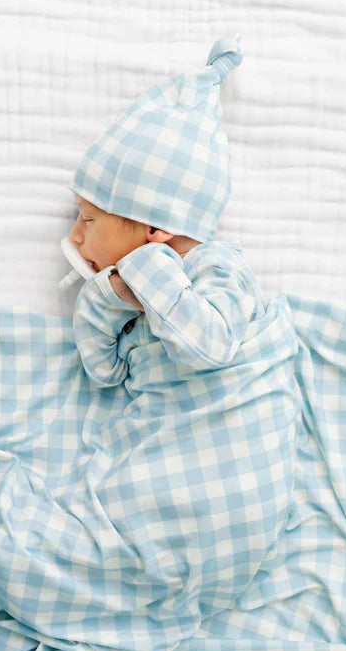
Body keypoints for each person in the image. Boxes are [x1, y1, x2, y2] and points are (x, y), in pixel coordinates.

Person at [68, 34, 293, 391]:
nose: (74, 236)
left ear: (156, 227)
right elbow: (103, 373)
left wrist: (146, 270)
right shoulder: (128, 295)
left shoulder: (217, 267)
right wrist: (106, 296)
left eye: (89, 219)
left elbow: (212, 347)